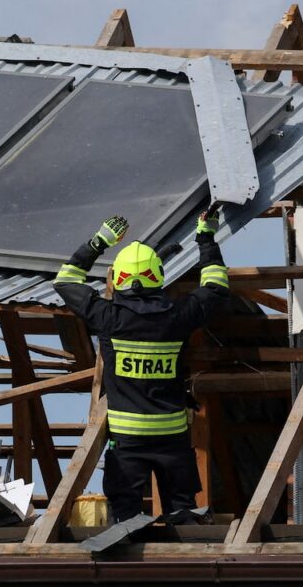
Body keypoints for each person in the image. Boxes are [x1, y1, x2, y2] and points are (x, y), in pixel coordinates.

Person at [53, 211, 230, 523]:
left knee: (127, 524)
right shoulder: (177, 316)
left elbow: (66, 280)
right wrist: (206, 237)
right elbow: (216, 285)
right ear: (158, 275)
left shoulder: (108, 317)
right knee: (184, 516)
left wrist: (99, 242)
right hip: (172, 436)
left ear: (118, 277)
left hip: (126, 439)